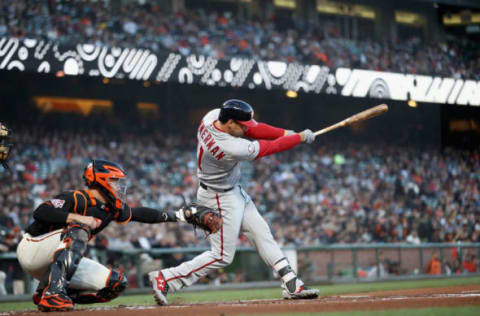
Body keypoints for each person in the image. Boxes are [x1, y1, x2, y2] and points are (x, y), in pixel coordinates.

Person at [149, 99, 319, 305]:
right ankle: (166, 278)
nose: (247, 128)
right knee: (221, 256)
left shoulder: (212, 116)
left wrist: (285, 133)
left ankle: (291, 282)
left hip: (232, 191)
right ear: (230, 123)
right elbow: (266, 147)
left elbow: (255, 130)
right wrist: (297, 138)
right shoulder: (228, 146)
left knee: (261, 232)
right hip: (218, 198)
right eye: (242, 125)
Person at [16, 159, 204, 312]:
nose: (118, 186)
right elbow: (40, 212)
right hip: (32, 248)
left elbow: (140, 214)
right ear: (102, 180)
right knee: (79, 229)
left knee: (116, 283)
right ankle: (54, 293)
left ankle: (47, 292)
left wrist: (178, 216)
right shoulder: (76, 197)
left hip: (53, 261)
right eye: (114, 181)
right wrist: (78, 218)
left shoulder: (110, 208)